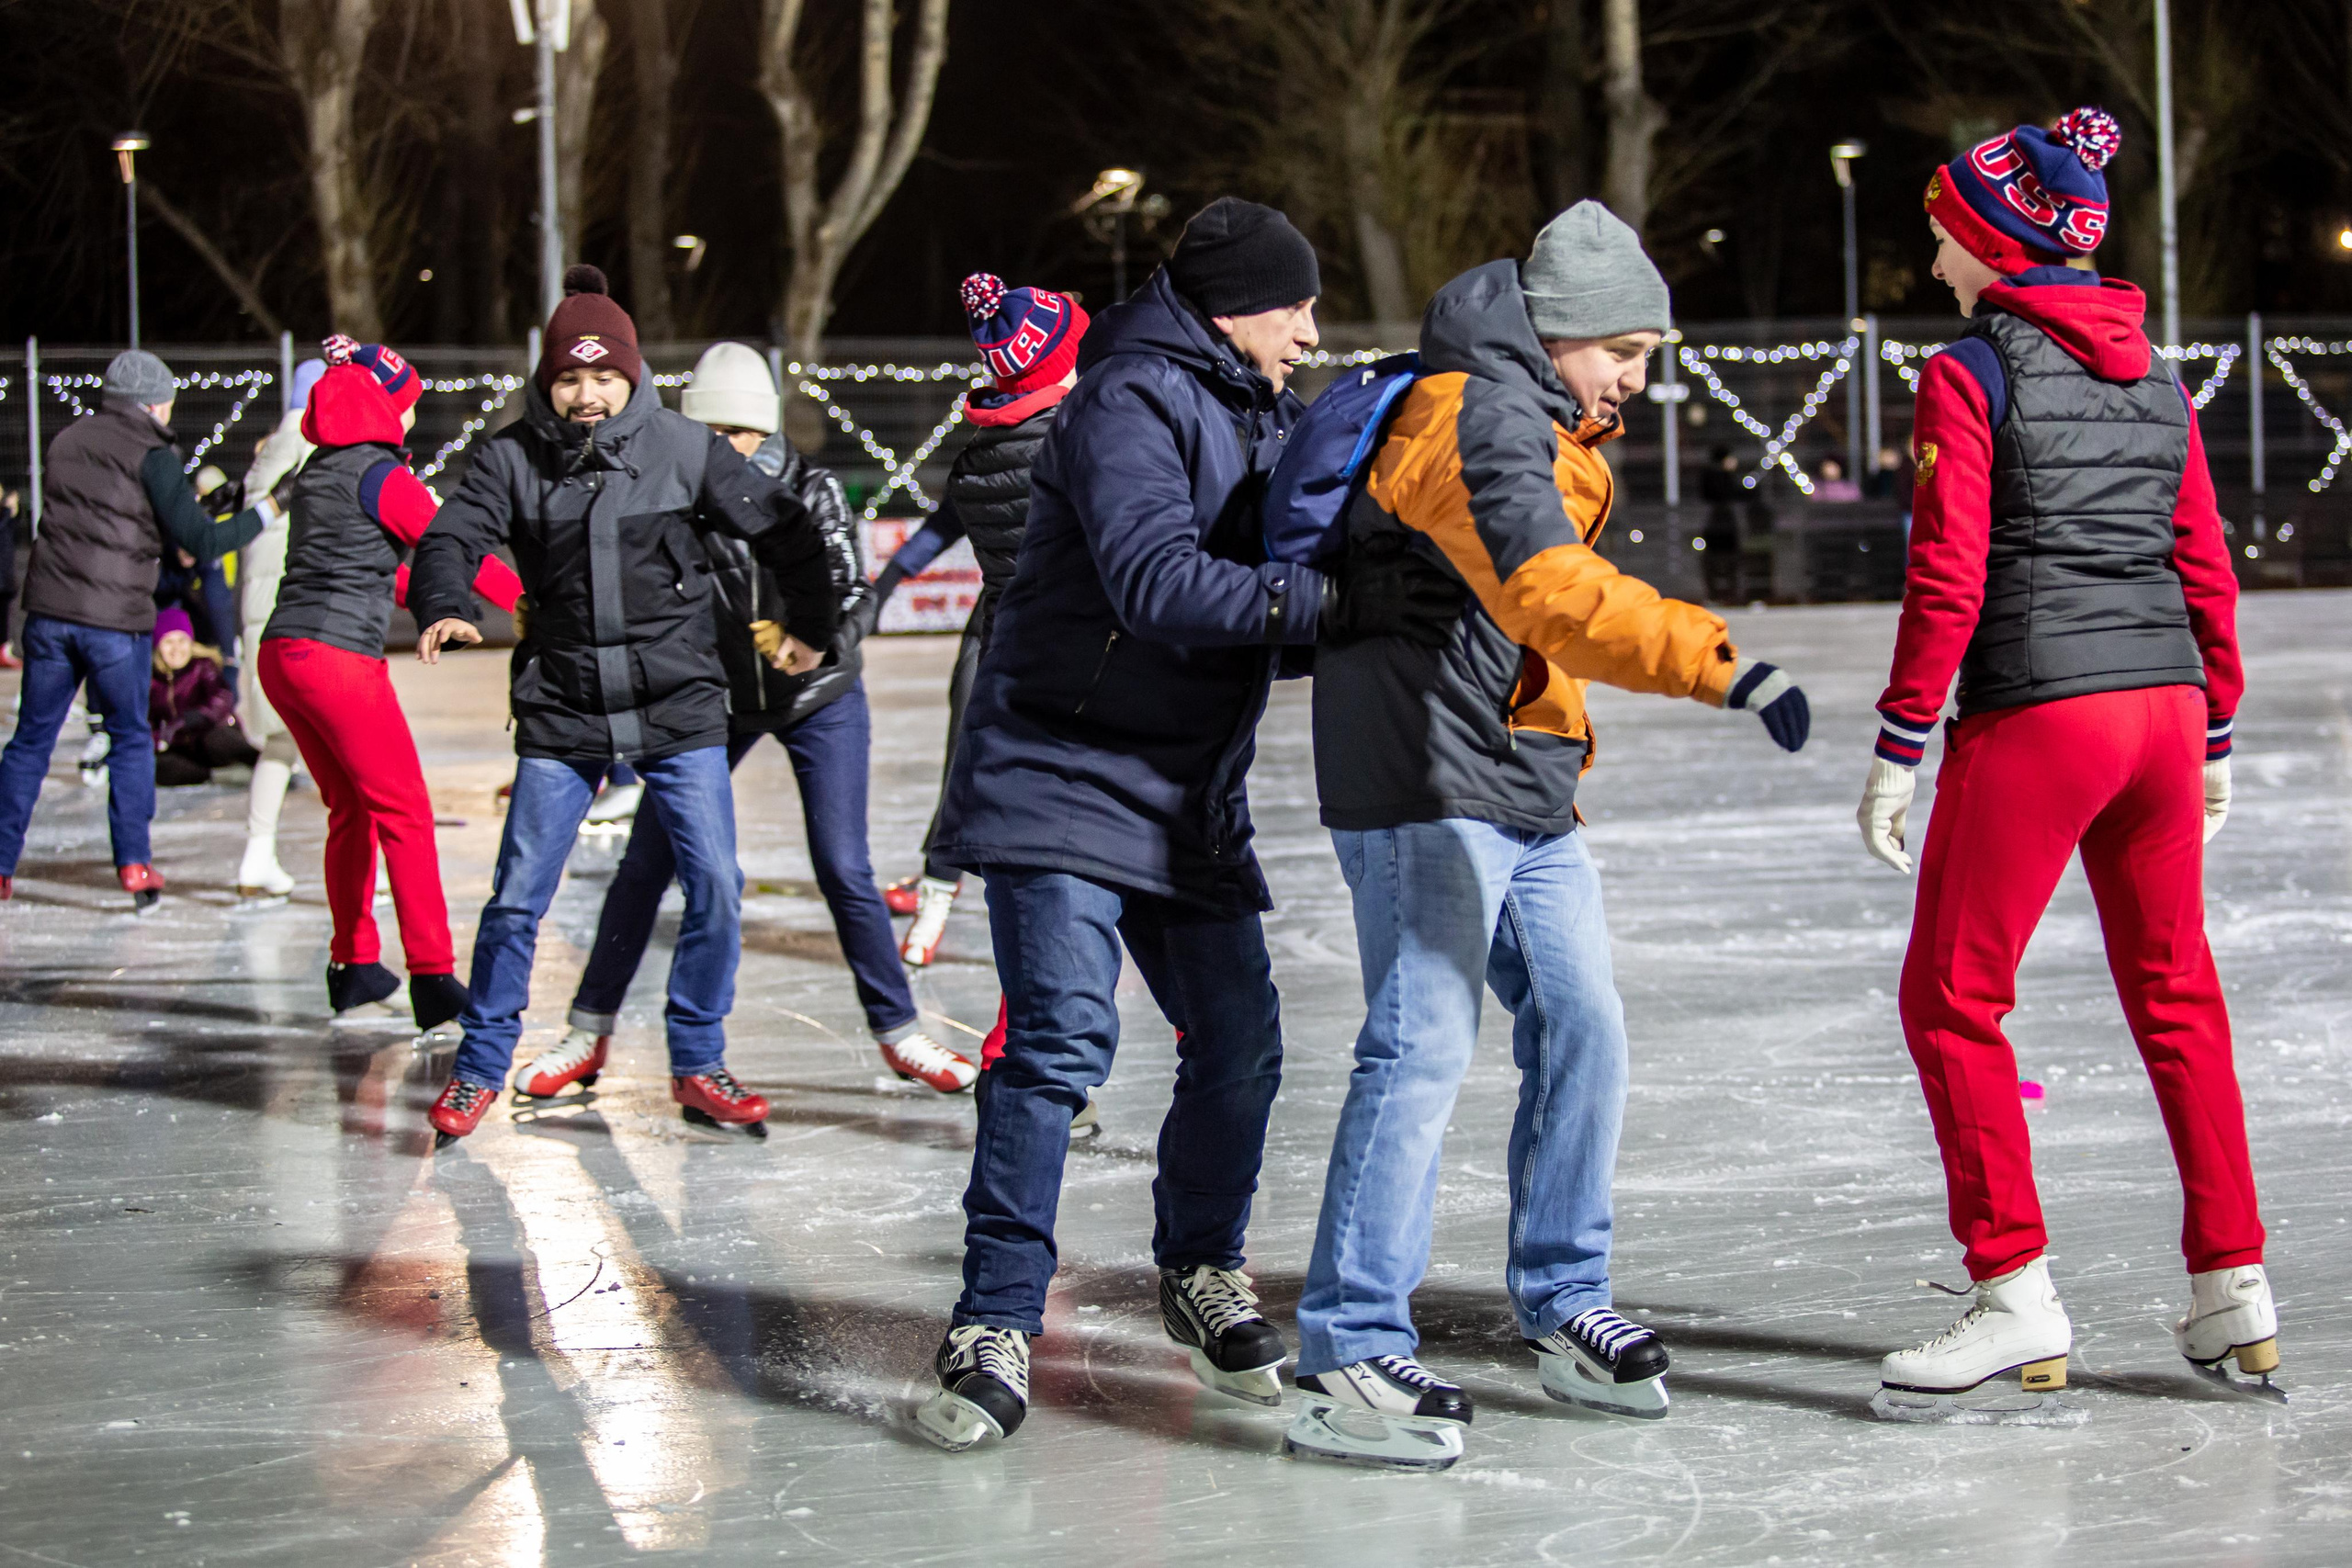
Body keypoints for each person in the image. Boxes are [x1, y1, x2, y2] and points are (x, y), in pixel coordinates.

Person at [910, 198, 1462, 1452]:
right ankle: (993, 1314)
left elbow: (1261, 606)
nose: (1311, 330)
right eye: (1298, 306)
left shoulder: (1259, 411)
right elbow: (1159, 583)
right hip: (1062, 763)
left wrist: (1384, 606)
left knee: (1242, 1039)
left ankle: (1201, 1264)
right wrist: (1332, 601)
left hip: (1181, 788)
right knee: (1058, 1040)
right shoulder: (1127, 402)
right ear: (1236, 308)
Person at [1286, 203, 1813, 1471]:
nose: (1636, 376)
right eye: (1623, 349)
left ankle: (1564, 1293)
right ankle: (1349, 1341)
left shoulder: (1538, 417)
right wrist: (1717, 661)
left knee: (1586, 1024)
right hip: (1427, 776)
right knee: (1419, 1045)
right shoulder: (1472, 412)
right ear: (1561, 332)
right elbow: (1546, 589)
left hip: (1522, 777)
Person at [1859, 108, 2274, 1420]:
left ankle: (2015, 1288)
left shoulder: (1971, 372)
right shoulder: (2153, 371)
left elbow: (1949, 573)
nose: (1934, 267)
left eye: (1941, 240)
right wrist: (2212, 727)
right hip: (2159, 708)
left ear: (1996, 238)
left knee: (1950, 995)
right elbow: (2204, 557)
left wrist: (1898, 742)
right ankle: (2235, 1283)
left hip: (2045, 709)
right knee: (2177, 995)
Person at [408, 265, 836, 1144]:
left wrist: (812, 626)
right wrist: (445, 598)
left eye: (604, 375)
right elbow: (451, 532)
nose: (587, 393)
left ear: (633, 376)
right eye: (569, 377)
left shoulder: (682, 448)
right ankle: (481, 1065)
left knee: (715, 882)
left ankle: (699, 1059)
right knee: (517, 896)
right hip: (564, 711)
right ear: (548, 382)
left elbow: (788, 527)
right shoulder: (513, 458)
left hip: (678, 705)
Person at [513, 340, 978, 1104]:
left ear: (766, 429)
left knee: (843, 868)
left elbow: (849, 588)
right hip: (712, 704)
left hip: (818, 699)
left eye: (741, 431)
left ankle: (899, 1031)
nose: (725, 446)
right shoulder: (671, 491)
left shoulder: (812, 490)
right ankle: (588, 1028)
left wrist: (815, 638)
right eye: (712, 430)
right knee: (644, 865)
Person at [259, 335, 520, 1031]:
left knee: (350, 807)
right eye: (407, 406)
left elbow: (383, 572)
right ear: (384, 405)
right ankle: (433, 976)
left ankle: (353, 964)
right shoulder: (380, 474)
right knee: (404, 810)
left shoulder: (319, 469)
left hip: (284, 652)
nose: (410, 420)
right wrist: (527, 601)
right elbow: (447, 546)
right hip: (336, 658)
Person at [0, 350, 278, 910]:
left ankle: (1, 866)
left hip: (51, 614)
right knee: (130, 738)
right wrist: (266, 511)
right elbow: (197, 545)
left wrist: (197, 506)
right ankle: (134, 864)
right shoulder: (153, 454)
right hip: (114, 622)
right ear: (154, 401)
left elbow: (113, 516)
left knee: (31, 740)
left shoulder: (66, 441)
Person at [883, 273, 1091, 970]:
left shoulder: (978, 458)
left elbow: (941, 525)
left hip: (996, 625)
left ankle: (940, 889)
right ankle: (949, 891)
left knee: (970, 762)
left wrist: (879, 588)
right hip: (1058, 636)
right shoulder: (1085, 436)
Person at [232, 356, 326, 907]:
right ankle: (375, 869)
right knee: (342, 743)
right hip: (299, 612)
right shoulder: (314, 446)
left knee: (280, 742)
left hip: (260, 614)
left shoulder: (271, 451)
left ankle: (257, 853)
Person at [148, 605, 258, 786]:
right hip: (181, 747)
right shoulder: (153, 681)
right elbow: (149, 722)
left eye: (182, 641)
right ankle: (212, 775)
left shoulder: (203, 667)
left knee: (216, 740)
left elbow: (221, 700)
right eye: (169, 642)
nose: (176, 649)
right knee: (157, 765)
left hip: (210, 735)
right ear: (159, 647)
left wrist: (189, 720)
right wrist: (160, 737)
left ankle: (262, 763)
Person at [1697, 446, 1742, 602]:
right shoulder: (1720, 477)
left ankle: (1718, 594)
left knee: (1717, 561)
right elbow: (1731, 494)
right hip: (1721, 525)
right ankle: (1726, 594)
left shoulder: (1707, 475)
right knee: (1726, 561)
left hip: (1713, 525)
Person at [0, 485, 23, 670]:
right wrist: (8, 511)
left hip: (5, 577)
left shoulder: (4, 516)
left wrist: (14, 511)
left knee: (6, 616)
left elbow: (12, 528)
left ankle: (4, 651)